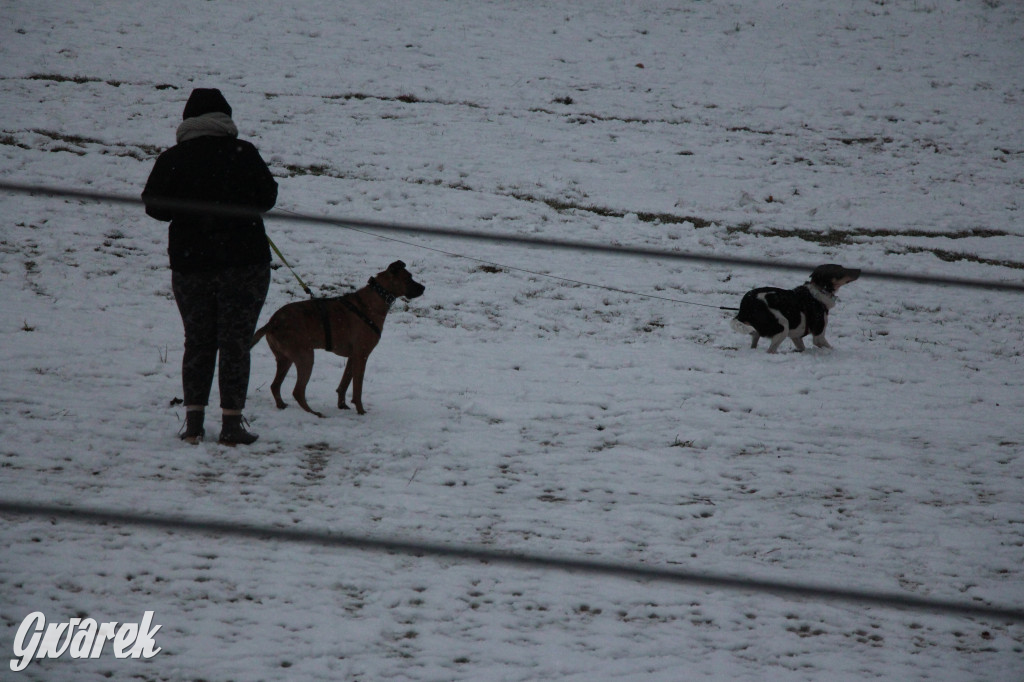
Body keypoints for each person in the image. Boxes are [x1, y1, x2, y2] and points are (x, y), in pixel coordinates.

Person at [142, 88, 278, 445]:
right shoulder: (243, 153)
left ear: (188, 119)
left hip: (191, 264)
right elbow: (267, 198)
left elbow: (155, 207)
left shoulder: (174, 157)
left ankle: (193, 425)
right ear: (226, 117)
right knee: (235, 342)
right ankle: (232, 425)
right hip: (244, 263)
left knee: (198, 341)